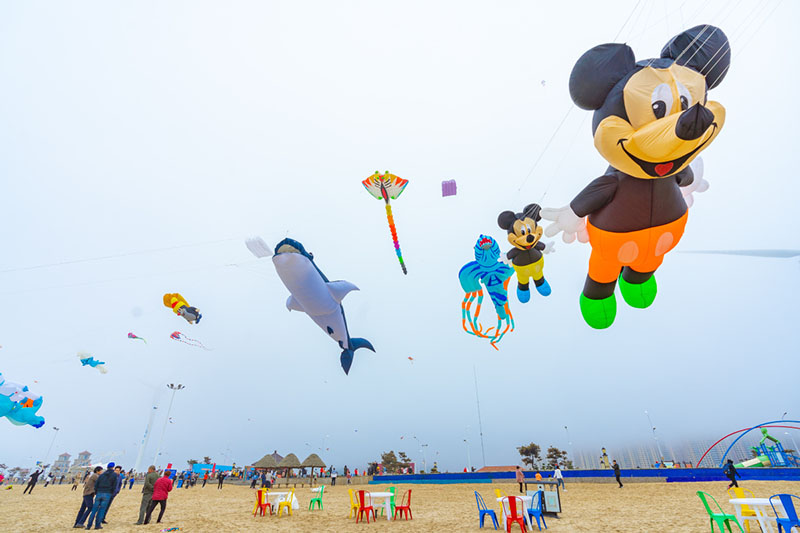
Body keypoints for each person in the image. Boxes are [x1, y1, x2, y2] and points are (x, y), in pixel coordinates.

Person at [85, 462, 118, 529]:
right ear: (113, 467)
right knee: (101, 510)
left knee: (94, 510)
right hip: (107, 493)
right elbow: (114, 485)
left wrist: (97, 491)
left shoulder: (102, 475)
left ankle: (89, 525)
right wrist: (111, 492)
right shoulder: (114, 475)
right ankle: (97, 525)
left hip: (99, 493)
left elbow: (96, 484)